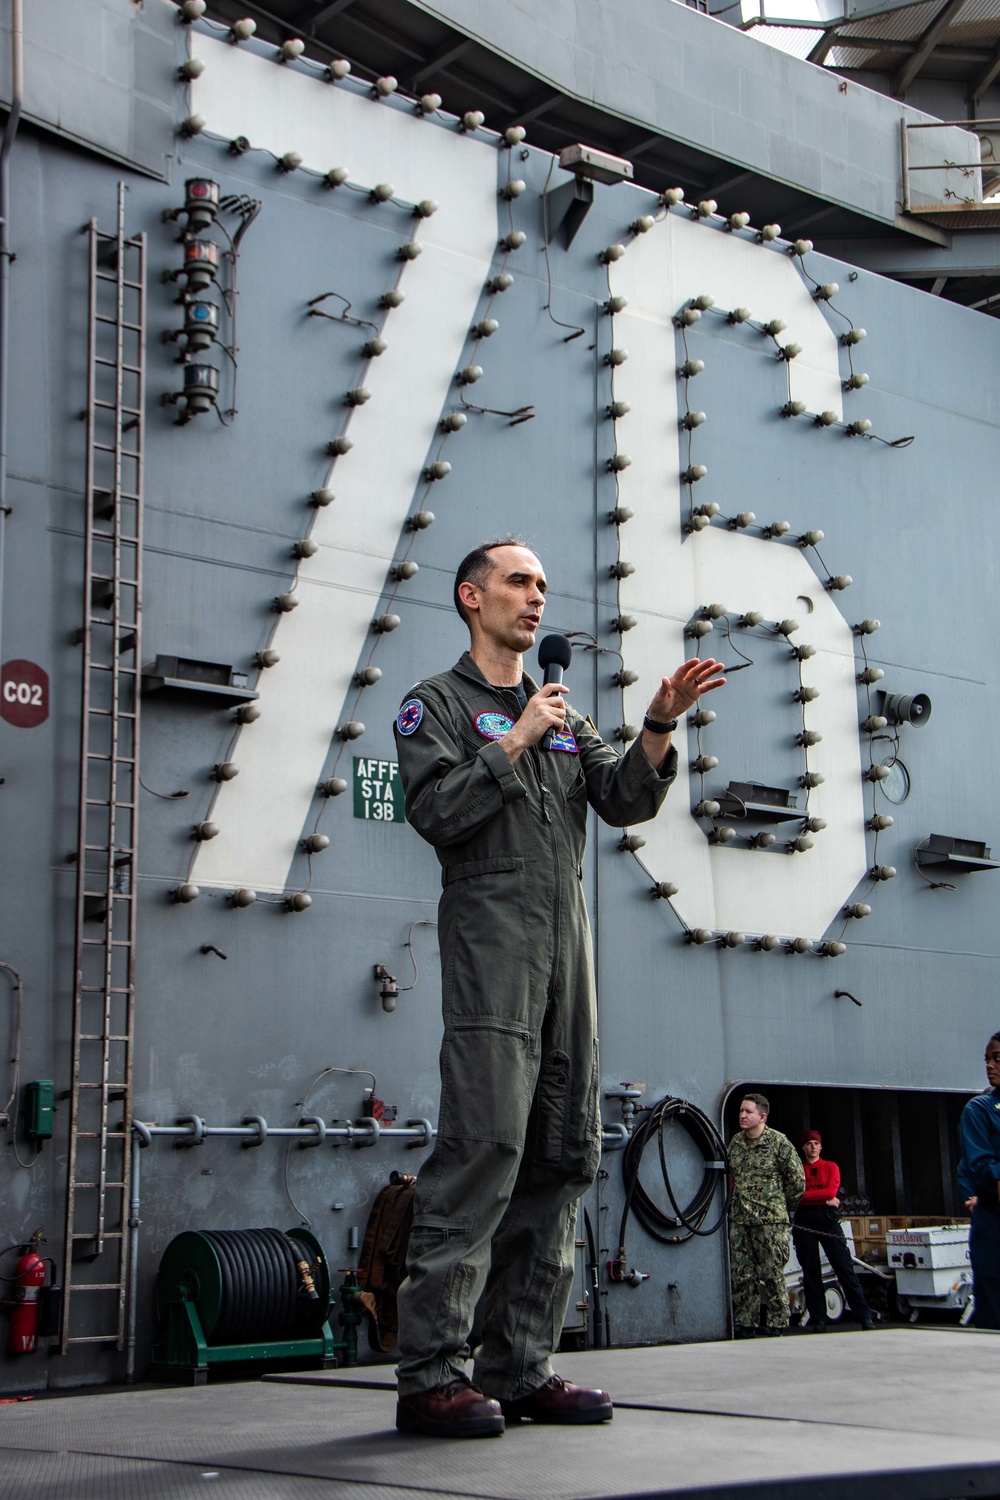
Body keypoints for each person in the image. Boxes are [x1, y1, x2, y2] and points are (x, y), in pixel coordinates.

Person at [391, 536, 725, 1437]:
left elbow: (623, 797)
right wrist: (518, 742)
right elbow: (433, 812)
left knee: (564, 1153)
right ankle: (431, 1376)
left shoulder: (565, 716)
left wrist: (657, 724)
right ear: (472, 597)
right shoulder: (435, 707)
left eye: (543, 585)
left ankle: (520, 1368)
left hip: (566, 949)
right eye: (518, 582)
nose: (537, 598)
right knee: (486, 1149)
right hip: (493, 947)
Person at [728, 1093, 804, 1336]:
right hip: (741, 1221)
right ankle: (746, 1323)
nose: (742, 1115)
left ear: (762, 1116)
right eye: (741, 1111)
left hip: (771, 1222)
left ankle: (777, 1323)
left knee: (772, 1275)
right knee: (743, 1275)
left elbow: (797, 1181)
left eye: (748, 1111)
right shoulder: (735, 1144)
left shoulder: (778, 1142)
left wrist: (779, 1206)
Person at [791, 1130, 875, 1331]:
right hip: (805, 1218)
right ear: (803, 1147)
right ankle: (819, 1319)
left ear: (821, 1146)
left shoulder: (830, 1167)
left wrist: (810, 1196)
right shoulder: (797, 1169)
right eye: (809, 1143)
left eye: (816, 1143)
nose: (813, 1147)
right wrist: (819, 1197)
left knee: (843, 1266)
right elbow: (793, 1195)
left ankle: (864, 1316)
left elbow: (830, 1192)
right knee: (810, 1271)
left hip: (827, 1218)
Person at [957, 1030, 1000, 1330]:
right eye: (987, 1059)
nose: (989, 1065)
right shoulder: (980, 1109)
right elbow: (981, 1167)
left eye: (997, 1058)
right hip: (994, 1227)